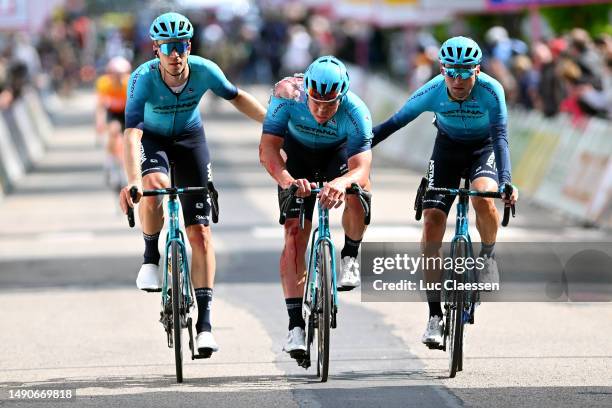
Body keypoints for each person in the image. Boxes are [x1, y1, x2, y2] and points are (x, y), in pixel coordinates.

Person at [118, 12, 266, 356]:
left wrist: (272, 125)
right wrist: (132, 182)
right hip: (152, 139)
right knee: (153, 185)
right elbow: (131, 135)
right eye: (168, 47)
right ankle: (151, 257)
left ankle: (205, 325)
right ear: (156, 49)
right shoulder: (142, 79)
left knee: (199, 232)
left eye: (181, 46)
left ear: (189, 46)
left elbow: (236, 96)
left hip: (189, 139)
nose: (175, 54)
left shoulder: (203, 69)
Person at [371, 37, 518, 349]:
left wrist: (506, 180)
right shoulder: (433, 89)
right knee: (432, 221)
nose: (458, 80)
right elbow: (392, 124)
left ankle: (487, 256)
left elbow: (501, 137)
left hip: (483, 150)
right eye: (452, 72)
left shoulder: (491, 90)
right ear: (442, 69)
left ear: (478, 70)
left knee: (483, 195)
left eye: (466, 73)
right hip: (447, 150)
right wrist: (355, 153)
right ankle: (435, 316)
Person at [259, 56, 372, 362]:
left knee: (359, 191)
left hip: (338, 156)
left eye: (330, 104)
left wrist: (343, 183)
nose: (322, 110)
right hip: (298, 158)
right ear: (305, 91)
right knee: (294, 234)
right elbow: (268, 147)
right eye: (316, 102)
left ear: (343, 97)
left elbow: (361, 167)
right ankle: (295, 325)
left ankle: (350, 255)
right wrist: (286, 180)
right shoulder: (286, 94)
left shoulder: (356, 110)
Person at [95, 56, 131, 195]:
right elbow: (100, 106)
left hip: (125, 112)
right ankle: (110, 159)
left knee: (127, 138)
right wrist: (99, 123)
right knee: (113, 130)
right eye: (115, 74)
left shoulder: (130, 83)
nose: (118, 77)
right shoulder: (104, 83)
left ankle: (125, 162)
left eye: (121, 74)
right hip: (112, 112)